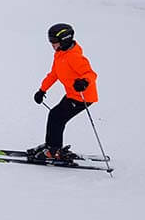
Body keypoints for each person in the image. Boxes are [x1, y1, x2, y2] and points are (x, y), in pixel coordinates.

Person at [29, 23, 98, 161]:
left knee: (56, 117)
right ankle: (51, 145)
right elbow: (54, 74)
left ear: (64, 39)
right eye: (50, 41)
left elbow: (90, 73)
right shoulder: (60, 55)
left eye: (54, 41)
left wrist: (84, 82)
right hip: (72, 95)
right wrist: (42, 90)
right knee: (54, 116)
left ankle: (54, 150)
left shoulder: (74, 57)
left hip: (83, 97)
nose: (52, 44)